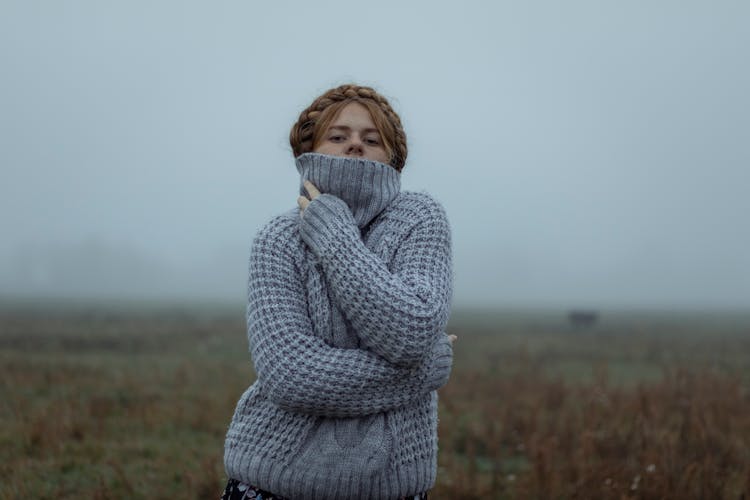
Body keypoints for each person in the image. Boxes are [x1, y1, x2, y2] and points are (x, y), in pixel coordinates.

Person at [222, 84, 456, 500]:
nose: (355, 146)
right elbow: (291, 375)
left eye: (371, 139)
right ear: (308, 150)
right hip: (273, 482)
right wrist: (423, 369)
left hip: (393, 488)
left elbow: (412, 331)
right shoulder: (277, 240)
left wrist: (333, 233)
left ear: (393, 157)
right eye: (338, 136)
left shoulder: (420, 220)